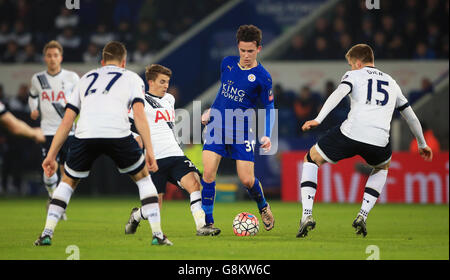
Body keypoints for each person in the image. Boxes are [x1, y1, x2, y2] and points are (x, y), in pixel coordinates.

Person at [34, 41, 172, 246]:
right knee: (144, 179)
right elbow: (139, 115)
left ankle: (46, 233)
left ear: (102, 61)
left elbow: (67, 120)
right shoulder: (132, 78)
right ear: (123, 62)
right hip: (118, 133)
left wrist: (51, 155)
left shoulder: (86, 79)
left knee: (67, 183)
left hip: (86, 133)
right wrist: (150, 150)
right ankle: (158, 235)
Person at [297, 44, 433, 238]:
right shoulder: (391, 82)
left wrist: (318, 119)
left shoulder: (354, 75)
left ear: (358, 63)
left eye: (351, 64)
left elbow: (338, 94)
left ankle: (306, 215)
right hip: (379, 139)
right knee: (382, 167)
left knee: (311, 159)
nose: (351, 68)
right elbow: (409, 115)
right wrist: (422, 143)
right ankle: (362, 215)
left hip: (352, 133)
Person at [125, 64, 220, 236]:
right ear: (151, 82)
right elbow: (129, 126)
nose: (165, 86)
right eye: (162, 82)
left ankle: (201, 226)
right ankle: (137, 216)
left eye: (167, 82)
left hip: (175, 154)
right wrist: (138, 144)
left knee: (194, 183)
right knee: (155, 206)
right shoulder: (139, 102)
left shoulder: (169, 99)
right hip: (155, 159)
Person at [200, 25, 275, 233]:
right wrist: (211, 111)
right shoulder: (227, 64)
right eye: (242, 50)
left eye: (250, 51)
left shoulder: (263, 77)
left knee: (247, 179)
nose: (246, 55)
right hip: (217, 125)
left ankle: (263, 206)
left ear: (258, 49)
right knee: (207, 173)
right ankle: (208, 222)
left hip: (242, 130)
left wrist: (267, 134)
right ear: (237, 48)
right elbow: (223, 92)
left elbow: (268, 107)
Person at [28, 40, 79, 219]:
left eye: (55, 55)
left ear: (61, 57)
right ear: (45, 58)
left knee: (68, 172)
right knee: (49, 169)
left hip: (69, 131)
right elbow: (32, 96)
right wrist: (33, 108)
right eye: (49, 55)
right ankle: (53, 197)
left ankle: (58, 204)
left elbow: (80, 100)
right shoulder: (38, 79)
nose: (52, 59)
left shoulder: (72, 78)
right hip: (48, 131)